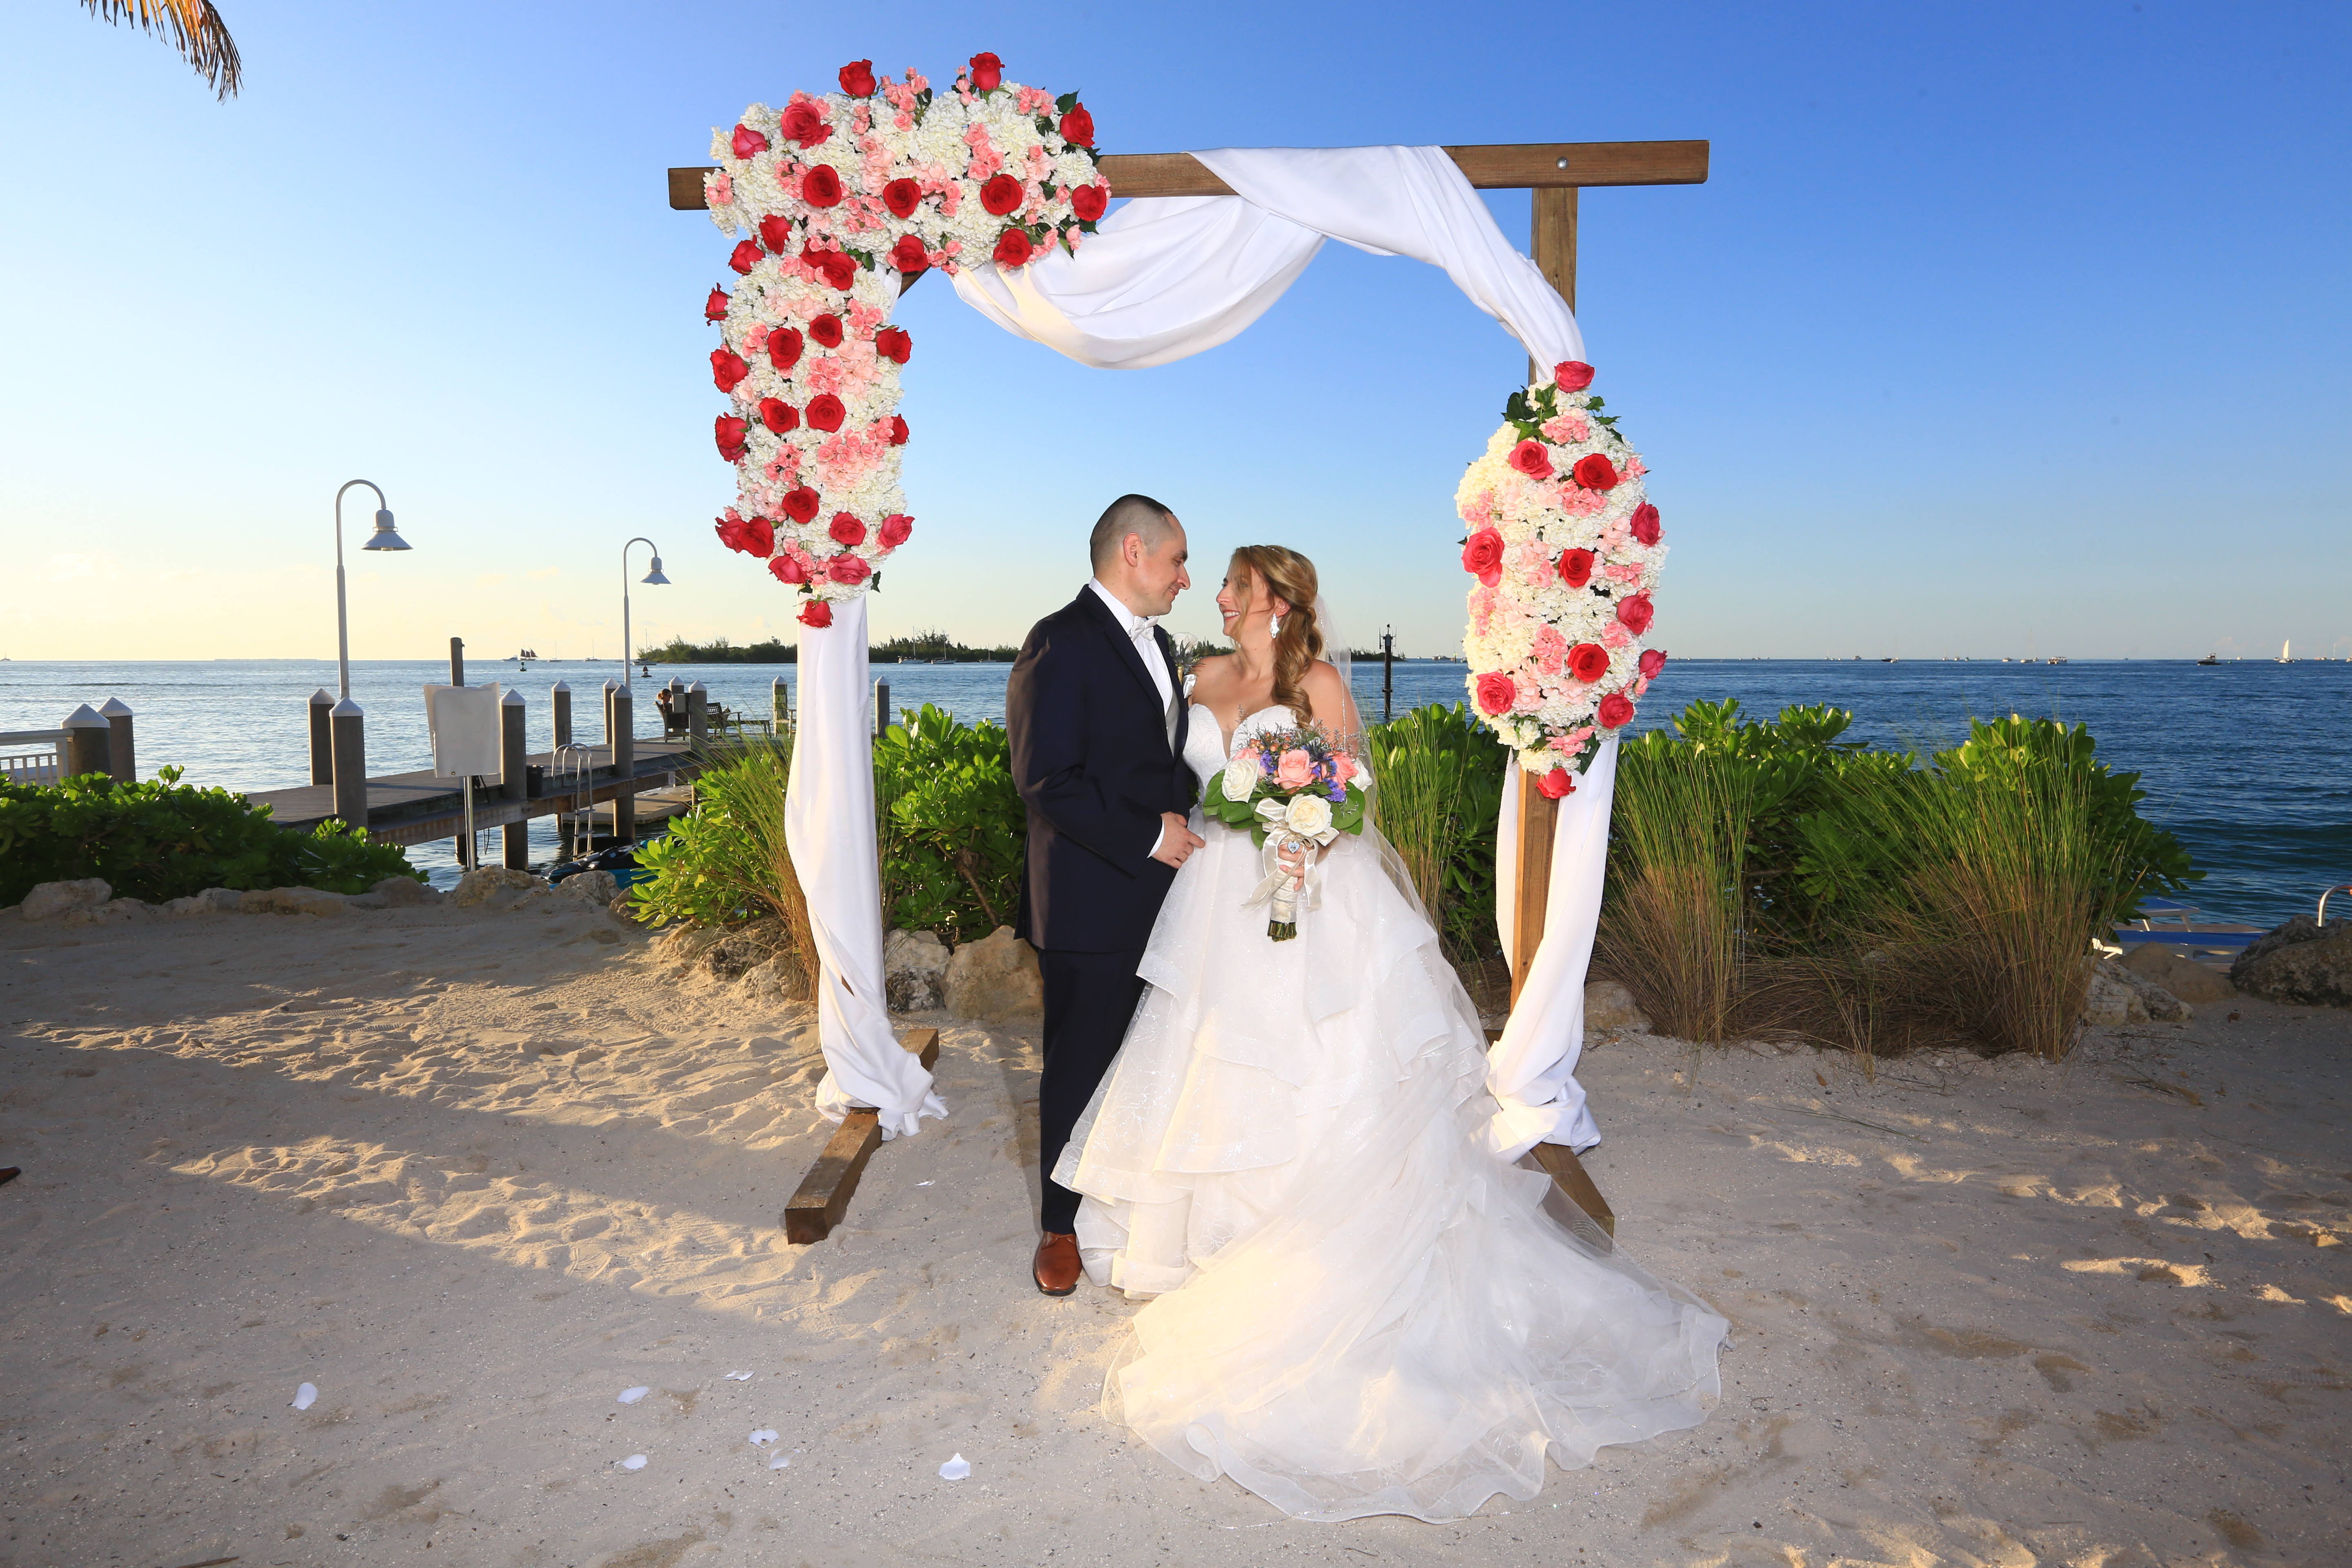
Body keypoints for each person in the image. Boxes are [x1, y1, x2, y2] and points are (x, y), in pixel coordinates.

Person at [1052, 544, 1727, 1523]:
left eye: (1235, 583)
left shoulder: (1317, 679)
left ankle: (1320, 1241)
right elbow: (1161, 776)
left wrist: (1302, 820)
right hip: (1213, 899)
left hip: (1314, 890)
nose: (1219, 594)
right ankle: (1215, 1245)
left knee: (1326, 1061)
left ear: (1276, 600)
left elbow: (1354, 790)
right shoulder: (1197, 676)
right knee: (1213, 1056)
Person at [1004, 494, 1205, 1297]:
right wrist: (1150, 836)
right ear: (1134, 550)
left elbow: (1159, 763)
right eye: (1177, 560)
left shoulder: (1158, 645)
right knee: (1080, 1064)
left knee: (1153, 1062)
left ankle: (1135, 1207)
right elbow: (1046, 779)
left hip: (1165, 894)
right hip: (1091, 899)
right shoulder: (1059, 640)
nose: (1186, 578)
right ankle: (1059, 1227)